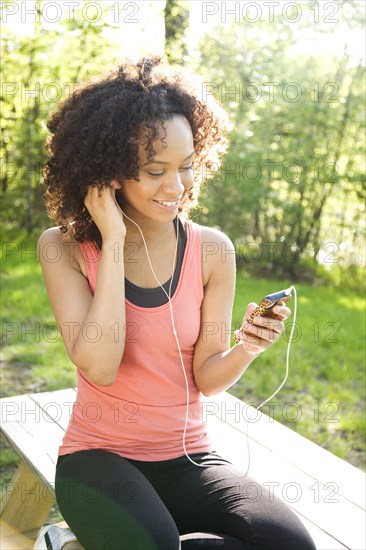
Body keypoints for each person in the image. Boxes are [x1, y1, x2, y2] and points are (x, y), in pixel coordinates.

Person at [36, 57, 316, 550]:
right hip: (98, 461)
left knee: (291, 544)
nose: (177, 187)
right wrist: (115, 241)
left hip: (188, 458)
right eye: (155, 171)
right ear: (109, 173)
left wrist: (247, 346)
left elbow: (206, 378)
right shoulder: (62, 249)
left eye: (187, 167)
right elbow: (99, 367)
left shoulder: (212, 250)